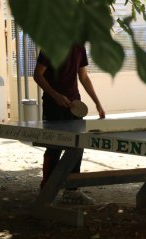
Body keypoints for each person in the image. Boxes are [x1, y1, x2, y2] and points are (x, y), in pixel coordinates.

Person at [34, 44, 105, 205]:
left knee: (78, 144)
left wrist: (97, 103)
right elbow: (38, 75)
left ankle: (72, 191)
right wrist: (56, 95)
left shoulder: (80, 47)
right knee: (54, 145)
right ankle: (46, 190)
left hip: (74, 103)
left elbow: (84, 76)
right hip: (53, 104)